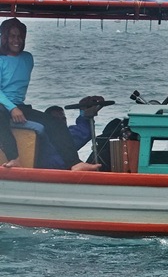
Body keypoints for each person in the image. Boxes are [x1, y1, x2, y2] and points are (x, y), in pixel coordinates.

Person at [0, 17, 100, 171]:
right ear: (4, 37)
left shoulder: (27, 58)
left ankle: (74, 163)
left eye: (20, 36)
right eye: (12, 36)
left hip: (18, 106)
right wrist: (12, 108)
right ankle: (15, 158)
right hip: (4, 106)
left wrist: (15, 107)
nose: (17, 40)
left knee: (55, 122)